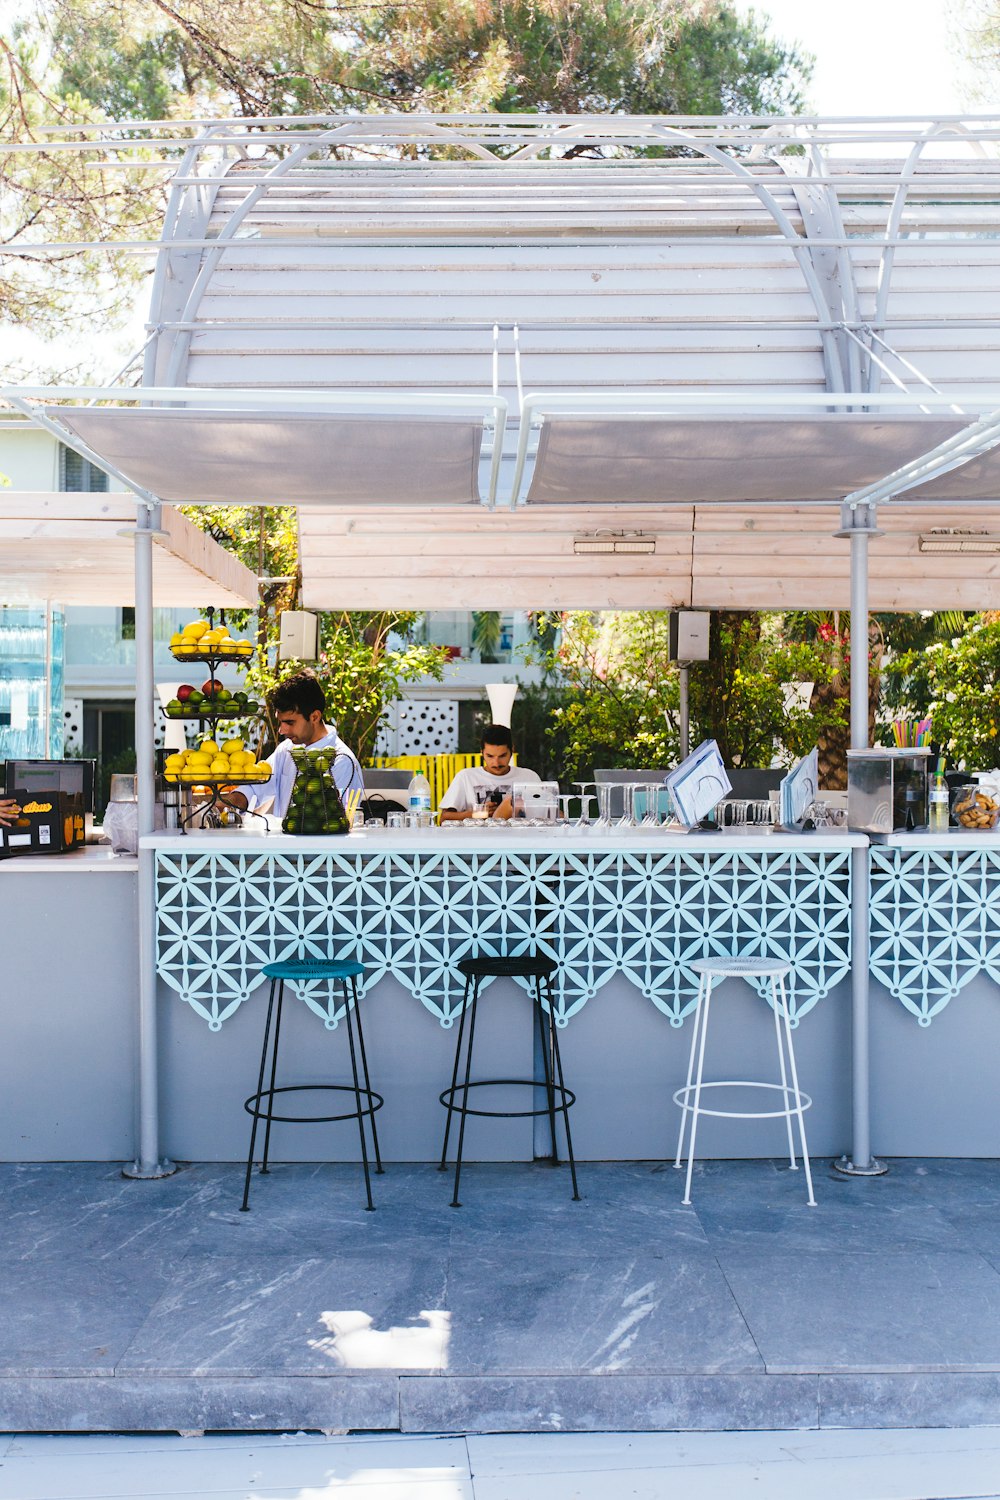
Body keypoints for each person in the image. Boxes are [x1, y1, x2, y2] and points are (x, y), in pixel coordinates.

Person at [227, 670, 364, 821]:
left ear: (315, 717)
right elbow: (256, 788)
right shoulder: (285, 750)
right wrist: (226, 803)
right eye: (280, 722)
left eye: (289, 722)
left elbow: (331, 821)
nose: (281, 730)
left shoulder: (342, 762)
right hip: (283, 843)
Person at [438, 724, 540, 822]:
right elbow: (443, 818)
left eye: (502, 756)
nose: (496, 763)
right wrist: (478, 813)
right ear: (482, 752)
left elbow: (546, 814)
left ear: (512, 750)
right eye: (490, 756)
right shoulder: (466, 777)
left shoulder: (530, 777)